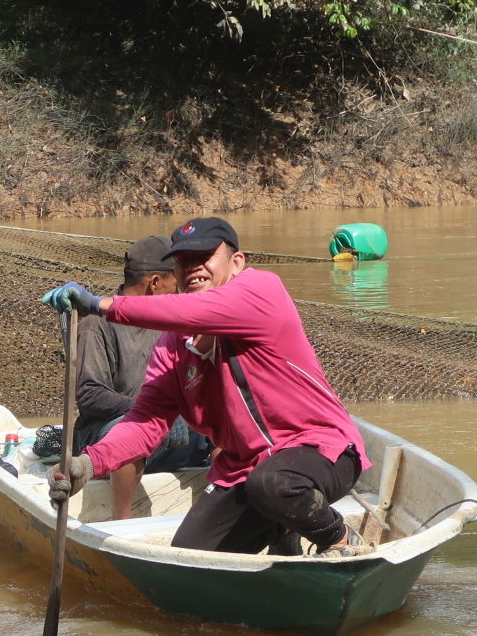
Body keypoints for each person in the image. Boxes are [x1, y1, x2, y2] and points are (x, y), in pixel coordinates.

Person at [40, 217, 373, 557]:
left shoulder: (263, 290)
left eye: (205, 257)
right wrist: (88, 463)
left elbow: (190, 310)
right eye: (183, 261)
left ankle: (338, 537)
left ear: (237, 262)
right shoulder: (171, 347)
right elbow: (145, 422)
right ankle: (282, 528)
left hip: (320, 451)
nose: (193, 267)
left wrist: (98, 304)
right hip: (247, 471)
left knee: (274, 483)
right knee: (191, 555)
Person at [73, 234, 212, 520]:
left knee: (226, 418)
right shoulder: (95, 324)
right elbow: (89, 394)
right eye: (175, 285)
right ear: (154, 283)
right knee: (128, 428)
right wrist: (148, 414)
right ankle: (121, 521)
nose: (179, 293)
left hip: (170, 429)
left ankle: (217, 510)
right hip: (105, 432)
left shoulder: (174, 319)